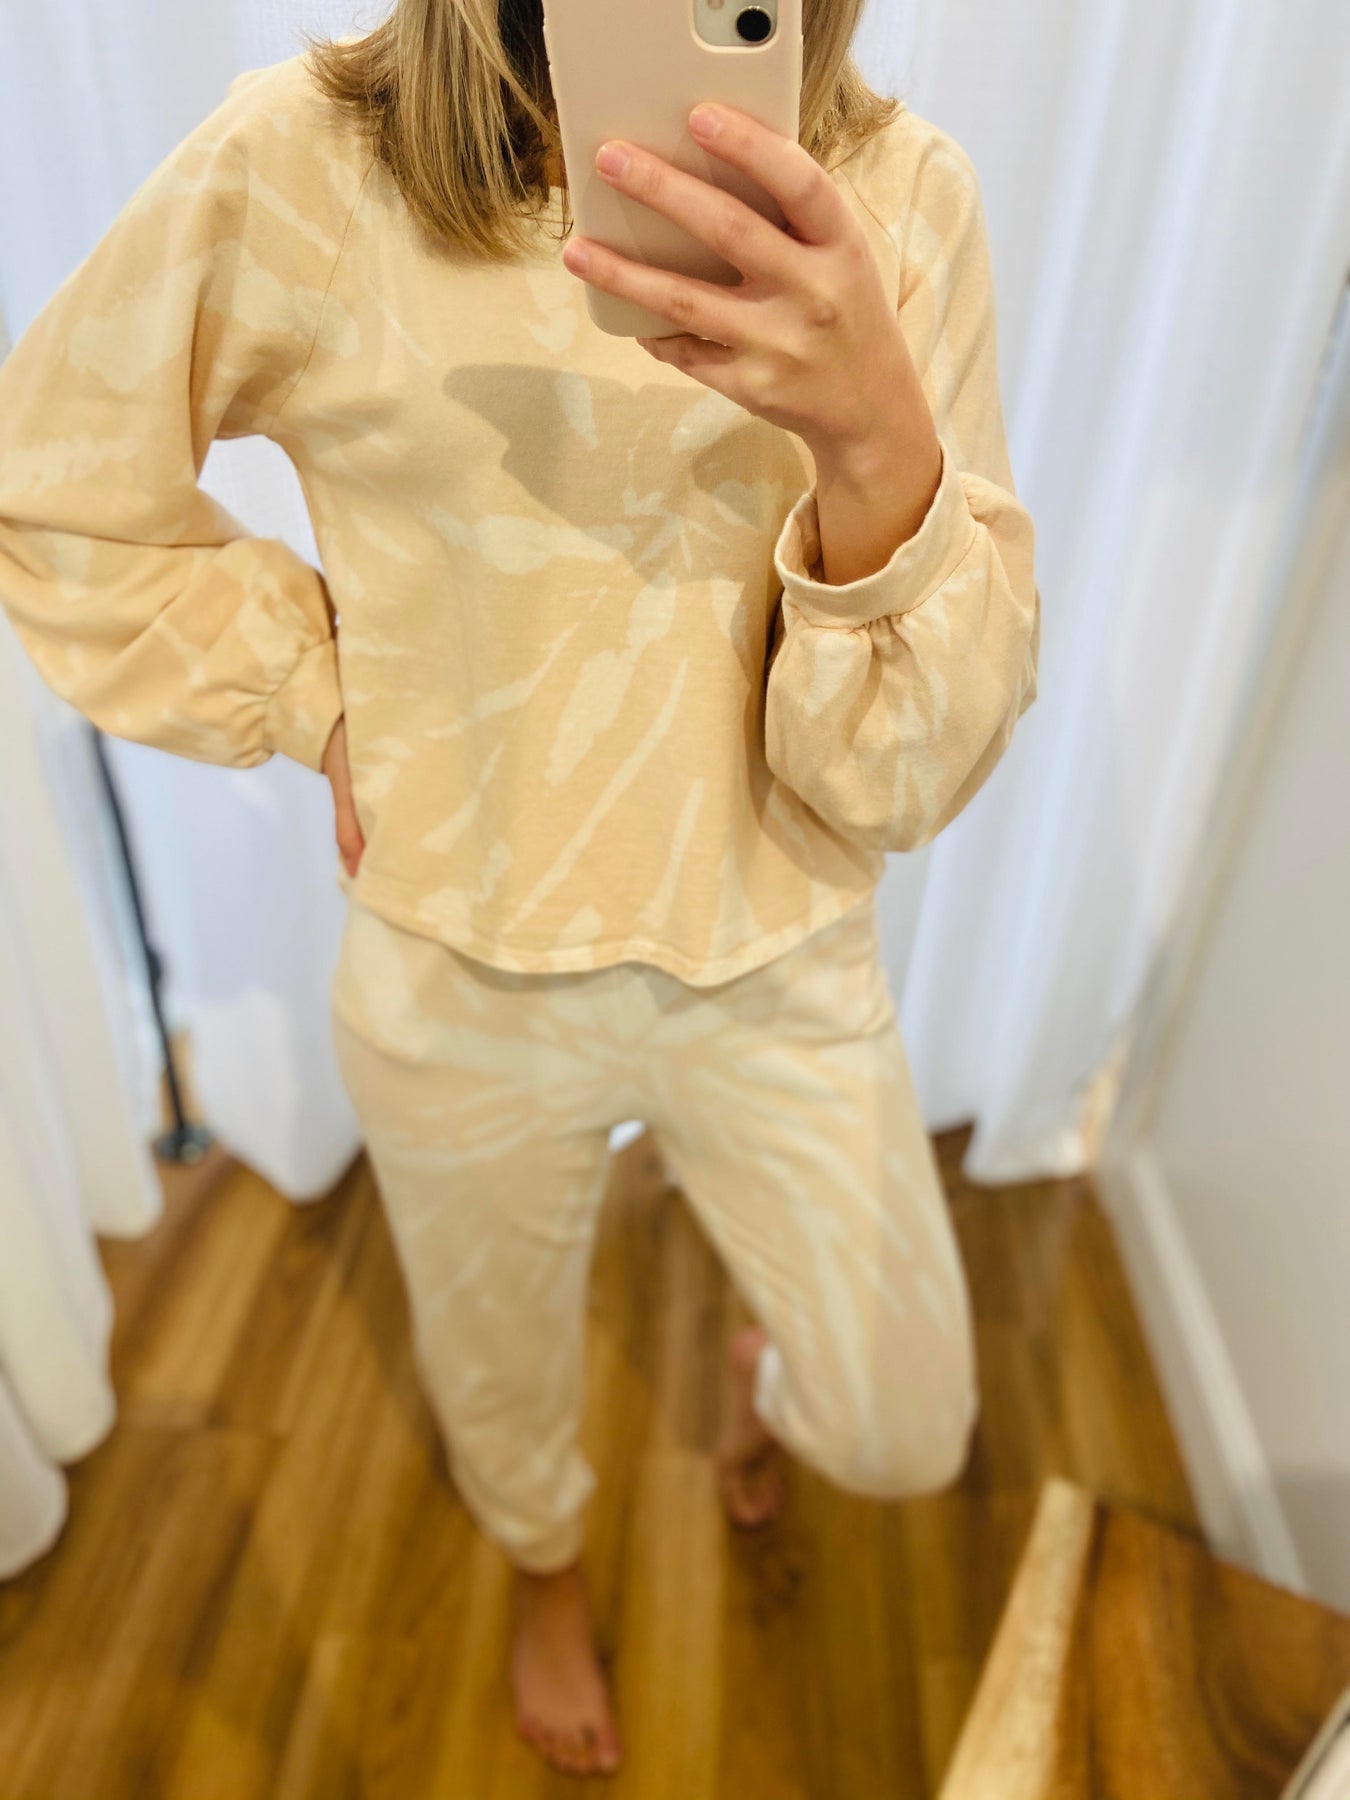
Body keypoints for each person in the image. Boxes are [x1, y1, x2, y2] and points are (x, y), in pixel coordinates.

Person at [0, 0, 1039, 1777]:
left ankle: (756, 1380)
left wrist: (876, 443)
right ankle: (544, 1575)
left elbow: (899, 778)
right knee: (496, 1373)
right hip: (456, 959)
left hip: (775, 941)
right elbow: (52, 489)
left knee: (898, 1425)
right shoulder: (304, 162)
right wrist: (312, 694)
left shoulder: (892, 197)